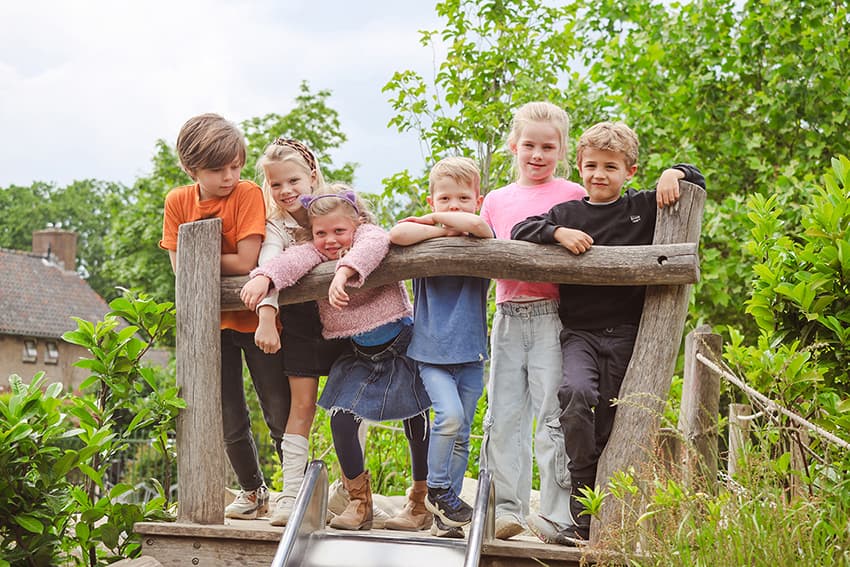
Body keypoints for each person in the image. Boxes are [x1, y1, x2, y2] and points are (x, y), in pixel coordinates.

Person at [511, 121, 706, 545]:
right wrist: (556, 233)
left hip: (627, 335)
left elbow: (696, 179)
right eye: (592, 166)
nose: (600, 174)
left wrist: (676, 173)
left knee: (615, 418)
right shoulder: (568, 214)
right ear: (580, 167)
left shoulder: (642, 207)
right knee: (576, 397)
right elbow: (520, 230)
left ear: (630, 172)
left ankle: (598, 522)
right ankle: (583, 498)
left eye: (611, 167)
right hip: (579, 333)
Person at [241, 184, 432, 532]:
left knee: (416, 419)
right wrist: (265, 277)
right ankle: (360, 502)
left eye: (339, 231)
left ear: (356, 224)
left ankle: (420, 500)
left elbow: (374, 245)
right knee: (342, 418)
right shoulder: (316, 252)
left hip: (401, 343)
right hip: (360, 353)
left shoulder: (369, 237)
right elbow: (292, 260)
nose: (330, 240)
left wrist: (343, 272)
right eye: (320, 233)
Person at [160, 113, 289, 520]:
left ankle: (296, 489)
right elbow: (182, 271)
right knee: (227, 412)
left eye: (235, 165)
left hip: (255, 319)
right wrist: (211, 261)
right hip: (207, 328)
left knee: (277, 406)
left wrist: (202, 257)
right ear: (190, 168)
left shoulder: (248, 193)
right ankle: (253, 490)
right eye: (218, 169)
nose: (230, 176)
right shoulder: (178, 202)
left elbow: (248, 259)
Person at [478, 101, 586, 541]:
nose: (537, 155)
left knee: (551, 416)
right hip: (506, 315)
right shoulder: (496, 199)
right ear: (513, 146)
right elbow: (481, 255)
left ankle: (557, 511)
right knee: (503, 416)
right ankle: (506, 508)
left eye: (548, 147)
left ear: (562, 149)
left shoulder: (574, 194)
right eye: (529, 145)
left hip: (552, 318)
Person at [241, 138, 350, 526]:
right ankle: (290, 494)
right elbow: (272, 261)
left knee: (350, 410)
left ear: (312, 176)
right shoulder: (277, 225)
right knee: (300, 409)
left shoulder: (337, 207)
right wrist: (267, 315)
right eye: (276, 185)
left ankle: (351, 492)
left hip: (347, 319)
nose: (286, 191)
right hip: (303, 325)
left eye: (293, 181)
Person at [389, 156, 493, 538]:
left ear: (477, 199)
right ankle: (437, 489)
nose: (454, 206)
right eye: (444, 199)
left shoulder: (482, 236)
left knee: (463, 432)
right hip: (431, 352)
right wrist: (439, 228)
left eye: (463, 199)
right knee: (447, 418)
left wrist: (444, 224)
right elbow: (397, 235)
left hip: (471, 354)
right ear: (431, 201)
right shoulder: (424, 234)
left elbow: (481, 226)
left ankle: (445, 517)